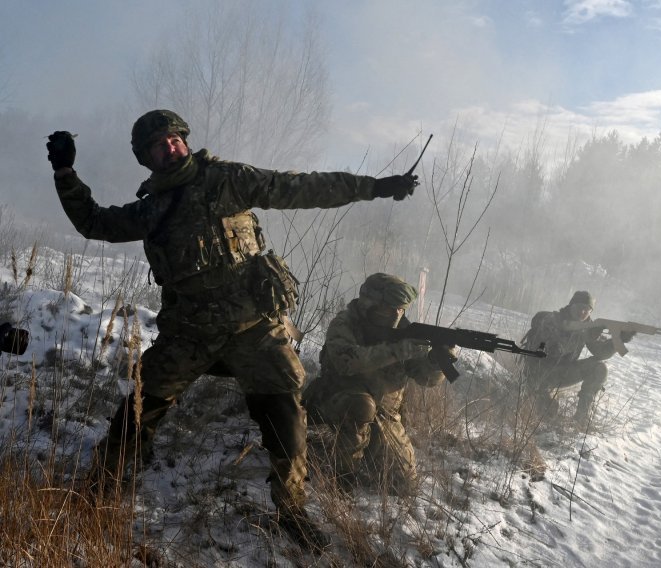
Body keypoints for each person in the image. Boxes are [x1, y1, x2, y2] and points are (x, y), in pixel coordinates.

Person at [45, 110, 418, 549]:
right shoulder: (152, 209)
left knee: (286, 418)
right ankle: (99, 487)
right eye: (157, 146)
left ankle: (292, 509)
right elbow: (95, 222)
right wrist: (65, 172)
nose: (169, 148)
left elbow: (300, 188)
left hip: (253, 328)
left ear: (184, 140)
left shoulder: (226, 180)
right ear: (146, 158)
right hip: (190, 331)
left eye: (173, 140)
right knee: (139, 407)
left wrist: (375, 188)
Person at [302, 273, 454, 496]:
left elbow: (425, 378)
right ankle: (341, 480)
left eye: (400, 309)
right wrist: (395, 351)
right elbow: (346, 363)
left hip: (384, 413)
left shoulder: (406, 332)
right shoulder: (345, 323)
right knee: (361, 405)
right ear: (368, 304)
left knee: (403, 484)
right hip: (335, 399)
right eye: (389, 308)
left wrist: (437, 362)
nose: (396, 314)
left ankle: (362, 448)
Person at [520, 291, 634, 427]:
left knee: (599, 368)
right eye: (580, 307)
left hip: (562, 373)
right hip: (538, 374)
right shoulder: (551, 320)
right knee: (548, 414)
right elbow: (552, 351)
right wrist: (579, 335)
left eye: (588, 309)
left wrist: (618, 340)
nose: (583, 312)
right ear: (571, 306)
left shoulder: (588, 328)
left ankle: (581, 419)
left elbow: (601, 353)